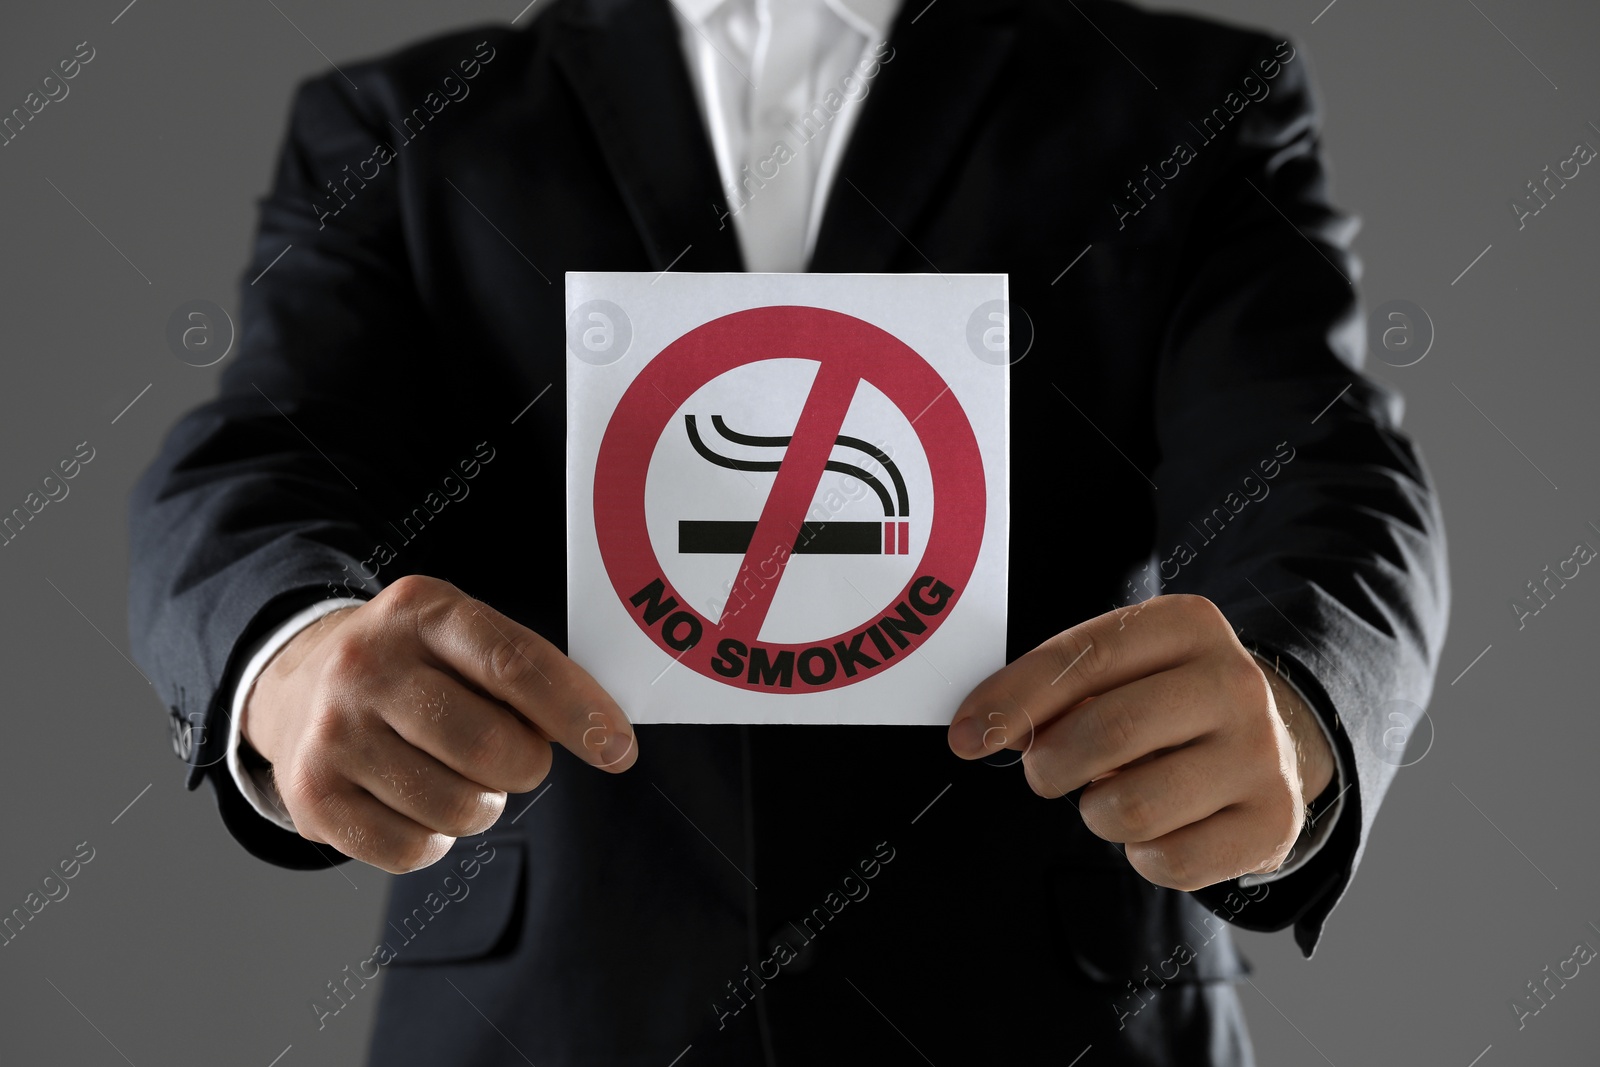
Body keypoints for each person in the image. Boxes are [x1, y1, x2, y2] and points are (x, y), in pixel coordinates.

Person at [127, 0, 1449, 1063]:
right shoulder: (405, 127)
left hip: (1051, 1012)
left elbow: (1322, 471)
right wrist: (289, 653)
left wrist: (1292, 701)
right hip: (553, 1021)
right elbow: (260, 462)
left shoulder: (1190, 99)